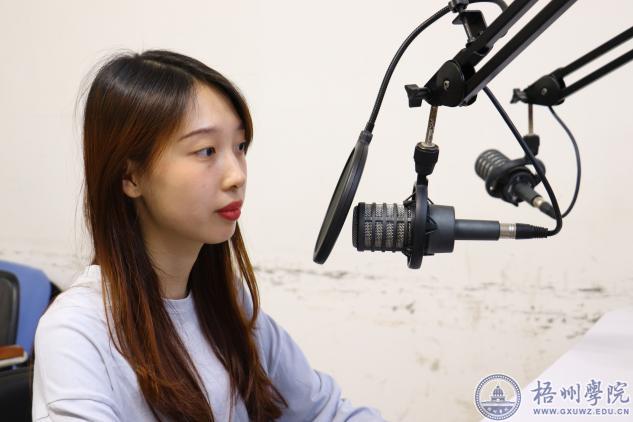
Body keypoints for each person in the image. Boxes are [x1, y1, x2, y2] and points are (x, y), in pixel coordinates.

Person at [31, 49, 386, 422]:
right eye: (206, 151)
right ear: (131, 176)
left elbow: (327, 412)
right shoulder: (77, 331)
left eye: (240, 147)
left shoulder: (227, 304)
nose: (237, 175)